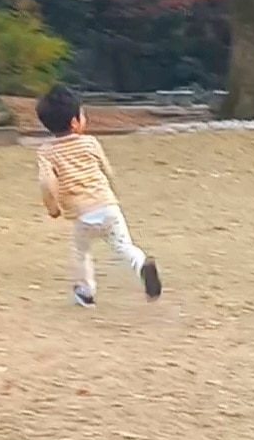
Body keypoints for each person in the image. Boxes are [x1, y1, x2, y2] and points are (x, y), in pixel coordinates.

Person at [35, 84, 162, 308]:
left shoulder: (46, 152)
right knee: (124, 246)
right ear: (75, 122)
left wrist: (52, 207)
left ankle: (86, 291)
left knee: (81, 252)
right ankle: (141, 264)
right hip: (108, 205)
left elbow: (47, 181)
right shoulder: (91, 142)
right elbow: (106, 169)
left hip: (82, 215)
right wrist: (109, 188)